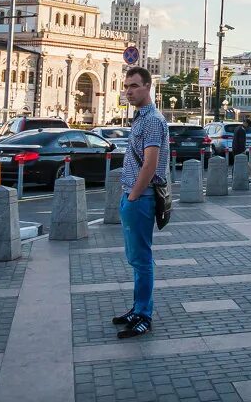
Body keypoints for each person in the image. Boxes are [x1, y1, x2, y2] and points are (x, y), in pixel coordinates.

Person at [115, 66, 169, 339]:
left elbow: (150, 164)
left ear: (148, 87)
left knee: (142, 259)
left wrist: (134, 195)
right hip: (133, 196)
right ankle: (137, 308)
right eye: (127, 86)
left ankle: (144, 315)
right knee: (136, 259)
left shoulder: (152, 120)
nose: (129, 91)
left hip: (141, 198)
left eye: (134, 85)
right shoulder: (140, 118)